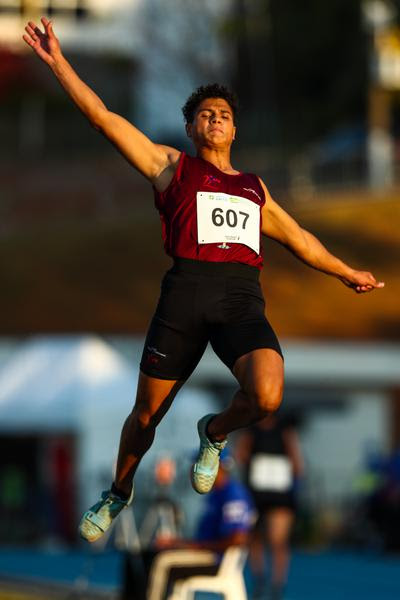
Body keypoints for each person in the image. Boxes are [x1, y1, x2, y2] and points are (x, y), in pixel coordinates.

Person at [23, 17, 385, 545]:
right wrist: (58, 62)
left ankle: (213, 433)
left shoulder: (253, 189)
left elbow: (302, 238)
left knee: (267, 394)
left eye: (223, 115)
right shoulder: (171, 167)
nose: (215, 119)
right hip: (185, 298)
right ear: (192, 129)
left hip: (241, 300)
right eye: (204, 114)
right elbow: (103, 118)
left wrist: (346, 271)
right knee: (145, 414)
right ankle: (118, 492)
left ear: (235, 130)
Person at [145, 448, 254, 600]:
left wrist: (191, 547)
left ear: (217, 466)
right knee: (148, 554)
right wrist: (180, 544)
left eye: (200, 464)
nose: (194, 469)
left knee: (163, 563)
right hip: (208, 553)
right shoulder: (216, 493)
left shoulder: (232, 495)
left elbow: (237, 540)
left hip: (217, 559)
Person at [236, 414, 304, 600]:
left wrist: (289, 476)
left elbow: (297, 461)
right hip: (255, 493)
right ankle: (259, 579)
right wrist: (256, 464)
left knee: (278, 541)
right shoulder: (251, 430)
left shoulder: (285, 430)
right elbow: (240, 455)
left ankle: (277, 584)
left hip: (279, 495)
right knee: (254, 538)